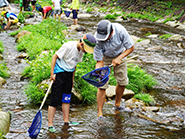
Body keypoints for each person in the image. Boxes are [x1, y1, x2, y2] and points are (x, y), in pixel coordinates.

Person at [47, 34, 96, 133]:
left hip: (69, 75)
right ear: (81, 44)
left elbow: (75, 65)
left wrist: (72, 79)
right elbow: (54, 57)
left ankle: (66, 121)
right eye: (86, 49)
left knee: (66, 98)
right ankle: (50, 124)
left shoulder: (81, 51)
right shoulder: (68, 46)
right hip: (60, 73)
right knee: (54, 99)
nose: (85, 52)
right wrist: (52, 74)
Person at [93, 20, 134, 119]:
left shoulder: (120, 31)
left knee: (122, 82)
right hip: (105, 57)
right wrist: (99, 71)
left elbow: (131, 48)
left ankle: (117, 104)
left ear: (111, 32)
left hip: (120, 55)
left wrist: (119, 58)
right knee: (102, 85)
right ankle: (100, 114)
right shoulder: (97, 38)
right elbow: (99, 61)